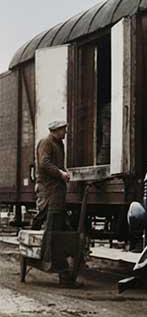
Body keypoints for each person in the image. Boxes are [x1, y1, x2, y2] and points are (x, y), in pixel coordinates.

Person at [35, 120, 82, 288]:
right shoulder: (46, 143)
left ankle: (64, 272)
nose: (66, 132)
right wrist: (61, 174)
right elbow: (44, 163)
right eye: (63, 129)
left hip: (57, 196)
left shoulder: (58, 144)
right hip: (50, 195)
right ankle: (60, 272)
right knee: (55, 234)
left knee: (62, 233)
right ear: (55, 130)